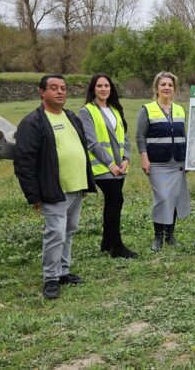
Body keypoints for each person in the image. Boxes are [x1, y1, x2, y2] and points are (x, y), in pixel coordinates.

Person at [14, 74, 96, 299]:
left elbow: (80, 149)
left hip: (76, 187)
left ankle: (63, 272)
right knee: (56, 234)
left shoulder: (71, 117)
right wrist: (34, 195)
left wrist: (84, 183)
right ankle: (50, 278)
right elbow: (24, 161)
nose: (60, 92)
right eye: (54, 88)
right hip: (53, 190)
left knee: (68, 231)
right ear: (42, 92)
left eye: (63, 88)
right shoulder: (33, 122)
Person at [79, 73, 136, 259]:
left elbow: (124, 137)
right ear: (93, 89)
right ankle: (117, 248)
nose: (104, 89)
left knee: (111, 204)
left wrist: (126, 158)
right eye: (99, 86)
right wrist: (110, 164)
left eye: (107, 85)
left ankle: (106, 242)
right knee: (116, 201)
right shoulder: (87, 111)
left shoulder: (114, 109)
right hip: (103, 168)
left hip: (119, 168)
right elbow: (91, 142)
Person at [136, 71, 190, 251]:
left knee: (173, 197)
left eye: (170, 85)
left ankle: (170, 236)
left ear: (174, 89)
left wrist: (188, 159)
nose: (167, 88)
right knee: (163, 197)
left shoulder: (180, 109)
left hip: (178, 162)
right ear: (156, 88)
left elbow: (184, 136)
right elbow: (140, 136)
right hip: (158, 162)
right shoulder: (147, 109)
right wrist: (144, 158)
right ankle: (157, 237)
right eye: (163, 85)